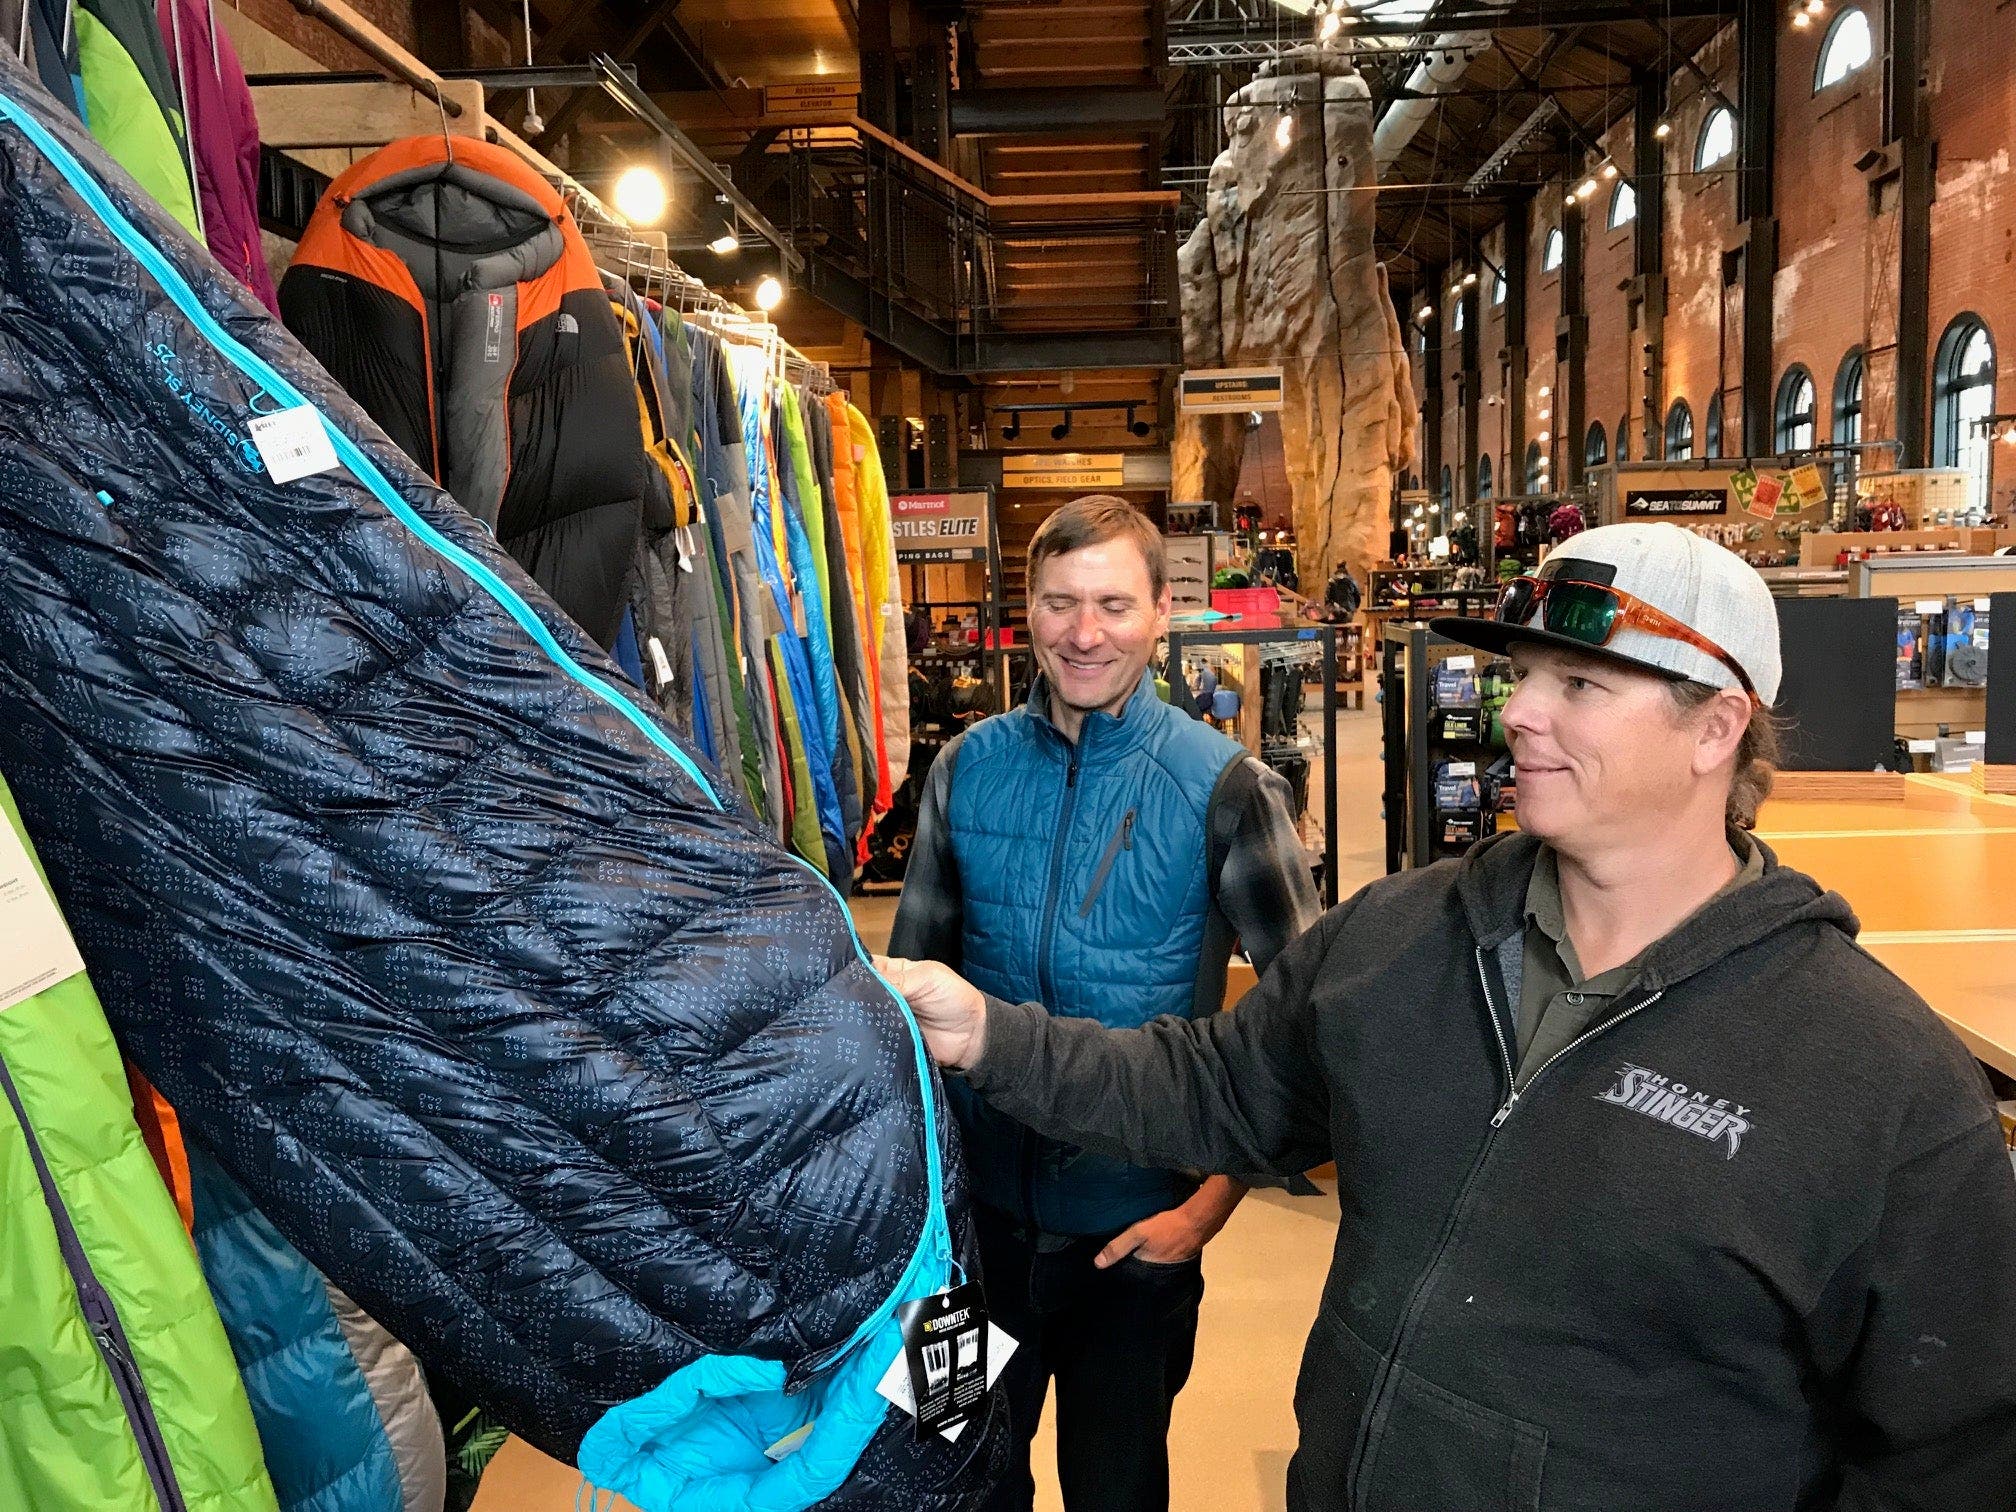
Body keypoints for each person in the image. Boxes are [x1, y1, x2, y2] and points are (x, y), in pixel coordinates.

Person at [880, 522, 2016, 1510]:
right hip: (1003, 1245)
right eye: (1525, 673)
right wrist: (985, 1031)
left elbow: (1954, 1454)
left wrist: (1182, 1225)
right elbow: (1212, 1086)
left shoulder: (1880, 1086)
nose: (1517, 713)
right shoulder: (1399, 942)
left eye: (1579, 686)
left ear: (1716, 729)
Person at [889, 495, 1320, 1512]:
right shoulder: (965, 768)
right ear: (1027, 612)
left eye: (1115, 604)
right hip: (968, 1244)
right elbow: (904, 1001)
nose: (1087, 633)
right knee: (944, 1478)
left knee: (1116, 1491)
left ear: (1163, 612)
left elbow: (1305, 1031)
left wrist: (1205, 1208)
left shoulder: (1226, 787)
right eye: (1061, 603)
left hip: (1133, 1240)